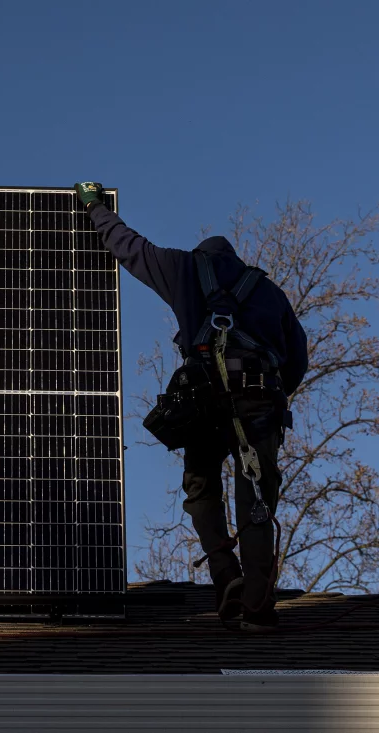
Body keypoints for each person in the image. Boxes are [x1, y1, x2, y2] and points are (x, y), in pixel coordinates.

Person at [74, 182, 308, 632]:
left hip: (203, 401)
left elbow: (128, 247)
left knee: (201, 488)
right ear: (235, 261)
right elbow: (296, 358)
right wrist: (272, 397)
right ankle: (257, 608)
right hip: (259, 401)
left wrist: (94, 207)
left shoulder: (183, 268)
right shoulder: (270, 292)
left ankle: (227, 578)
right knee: (256, 495)